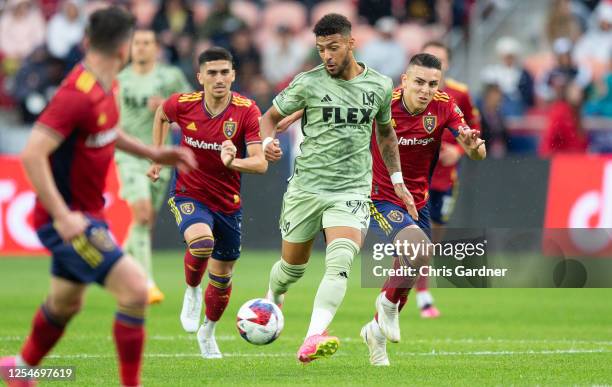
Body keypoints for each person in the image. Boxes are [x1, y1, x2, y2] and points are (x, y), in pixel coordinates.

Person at [0, 7, 196, 387]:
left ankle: (19, 370)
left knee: (65, 303)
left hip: (88, 213)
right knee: (136, 290)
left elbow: (109, 130)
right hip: (70, 219)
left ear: (87, 41)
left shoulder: (108, 85)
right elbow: (32, 153)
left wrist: (153, 153)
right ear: (125, 50)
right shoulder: (75, 95)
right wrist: (62, 215)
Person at [261, 13, 416, 363]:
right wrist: (266, 144)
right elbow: (268, 117)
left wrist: (396, 180)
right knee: (292, 268)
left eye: (333, 47)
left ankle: (314, 335)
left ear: (351, 43)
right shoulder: (307, 83)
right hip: (306, 188)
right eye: (320, 49)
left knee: (341, 260)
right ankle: (274, 293)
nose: (327, 56)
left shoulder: (378, 85)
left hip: (351, 191)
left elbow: (386, 133)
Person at [360, 53, 486, 366]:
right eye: (418, 82)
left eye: (432, 83)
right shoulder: (382, 103)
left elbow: (476, 150)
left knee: (409, 269)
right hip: (381, 195)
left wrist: (472, 147)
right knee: (417, 251)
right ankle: (386, 309)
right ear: (404, 80)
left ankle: (375, 334)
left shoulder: (443, 104)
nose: (425, 89)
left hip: (418, 200)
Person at [147, 47, 266, 359]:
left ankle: (208, 331)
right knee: (201, 243)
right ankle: (191, 290)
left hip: (228, 203)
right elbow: (161, 114)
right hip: (189, 193)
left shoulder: (246, 110)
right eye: (212, 73)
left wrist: (233, 162)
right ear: (199, 77)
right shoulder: (183, 104)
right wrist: (158, 155)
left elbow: (260, 163)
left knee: (224, 276)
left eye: (225, 72)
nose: (219, 78)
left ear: (233, 75)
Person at [116, 28, 192, 305]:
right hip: (128, 156)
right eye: (137, 42)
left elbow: (192, 111)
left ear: (156, 47)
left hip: (161, 157)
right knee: (142, 214)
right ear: (130, 46)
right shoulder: (119, 80)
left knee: (144, 223)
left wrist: (166, 108)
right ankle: (145, 283)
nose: (142, 48)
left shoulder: (169, 77)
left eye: (147, 42)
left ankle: (110, 266)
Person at [411, 40, 482, 318]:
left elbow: (473, 131)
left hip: (443, 178)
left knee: (431, 238)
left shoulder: (458, 95)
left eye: (437, 60)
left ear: (447, 65)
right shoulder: (405, 94)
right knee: (409, 235)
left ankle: (419, 288)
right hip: (413, 175)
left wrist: (459, 151)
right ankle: (416, 293)